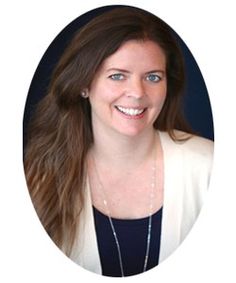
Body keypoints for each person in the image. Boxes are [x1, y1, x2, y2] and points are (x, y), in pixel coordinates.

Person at [24, 6, 214, 277]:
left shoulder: (212, 166)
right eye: (117, 76)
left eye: (152, 77)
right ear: (84, 84)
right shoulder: (37, 178)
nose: (137, 93)